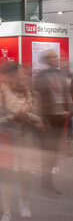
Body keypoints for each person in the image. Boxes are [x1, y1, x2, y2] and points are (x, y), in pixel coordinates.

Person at [0, 63, 43, 221]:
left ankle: (24, 200)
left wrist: (31, 118)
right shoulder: (0, 92)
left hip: (26, 140)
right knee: (6, 177)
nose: (24, 77)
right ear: (11, 76)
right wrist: (14, 116)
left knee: (25, 175)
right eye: (21, 74)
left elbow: (38, 115)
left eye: (24, 75)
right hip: (7, 140)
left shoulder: (30, 93)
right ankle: (6, 213)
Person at [33, 49, 71, 196]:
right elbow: (38, 100)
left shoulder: (62, 74)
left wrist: (69, 111)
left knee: (54, 154)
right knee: (47, 154)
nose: (57, 59)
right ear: (47, 60)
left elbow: (67, 94)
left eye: (57, 56)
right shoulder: (41, 77)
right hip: (47, 120)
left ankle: (47, 182)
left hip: (60, 118)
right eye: (54, 57)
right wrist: (41, 119)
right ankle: (46, 184)